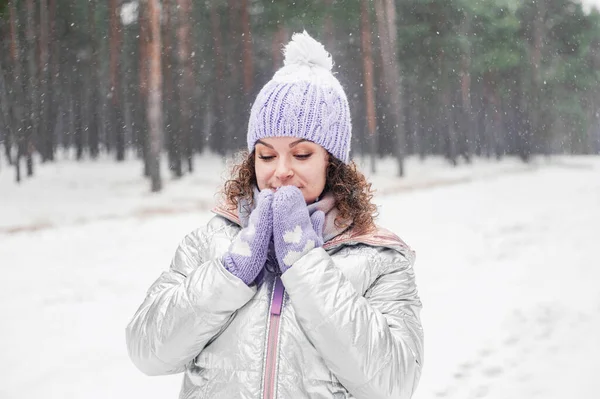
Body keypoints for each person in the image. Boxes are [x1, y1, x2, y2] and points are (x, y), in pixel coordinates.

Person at [126, 31, 423, 399]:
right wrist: (229, 273)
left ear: (332, 163)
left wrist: (306, 266)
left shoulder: (379, 258)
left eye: (301, 155)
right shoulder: (211, 241)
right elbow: (147, 353)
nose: (280, 171)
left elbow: (395, 383)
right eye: (266, 155)